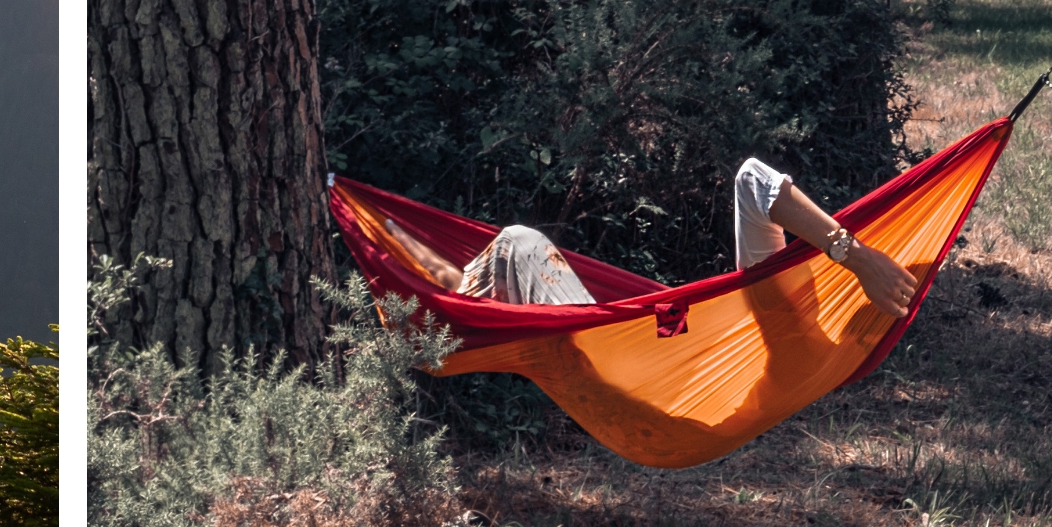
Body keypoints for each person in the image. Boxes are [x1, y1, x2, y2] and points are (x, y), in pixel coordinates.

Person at [378, 158, 920, 316]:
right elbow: (752, 180)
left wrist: (858, 260)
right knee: (517, 246)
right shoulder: (785, 314)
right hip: (644, 347)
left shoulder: (785, 325)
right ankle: (421, 275)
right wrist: (859, 260)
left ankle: (429, 290)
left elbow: (754, 178)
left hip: (623, 363)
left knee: (520, 242)